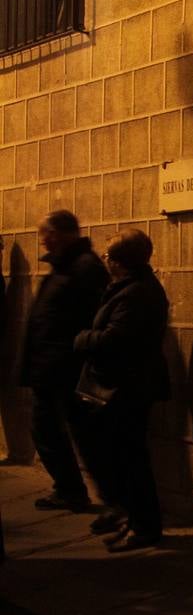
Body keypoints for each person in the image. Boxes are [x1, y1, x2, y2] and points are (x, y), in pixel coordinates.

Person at [72, 229, 170, 551]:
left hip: (127, 388)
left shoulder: (136, 294)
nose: (105, 260)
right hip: (126, 385)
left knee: (131, 460)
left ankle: (144, 527)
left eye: (109, 256)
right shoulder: (129, 288)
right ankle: (135, 521)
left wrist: (83, 338)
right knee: (125, 457)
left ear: (121, 262)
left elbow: (115, 340)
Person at [20, 210, 109, 511]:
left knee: (75, 432)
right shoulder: (64, 267)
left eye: (49, 233)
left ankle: (95, 495)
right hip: (50, 366)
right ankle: (72, 489)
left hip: (66, 367)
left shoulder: (84, 268)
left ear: (66, 233)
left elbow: (92, 317)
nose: (44, 240)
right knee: (53, 429)